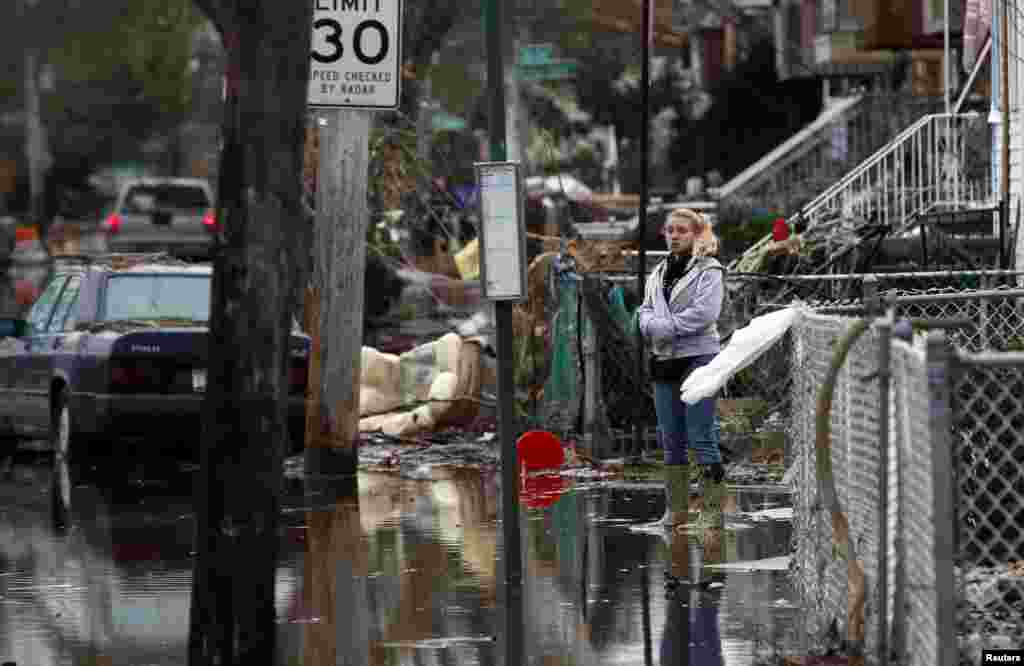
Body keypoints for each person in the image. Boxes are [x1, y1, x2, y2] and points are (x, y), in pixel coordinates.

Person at [635, 207, 726, 531]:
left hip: (698, 357)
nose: (674, 236)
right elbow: (644, 310)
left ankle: (713, 512)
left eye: (681, 231)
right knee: (670, 438)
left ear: (696, 233)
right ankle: (676, 512)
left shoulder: (709, 270)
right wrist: (649, 325)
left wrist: (664, 327)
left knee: (700, 434)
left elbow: (705, 314)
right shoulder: (658, 272)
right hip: (664, 360)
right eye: (670, 230)